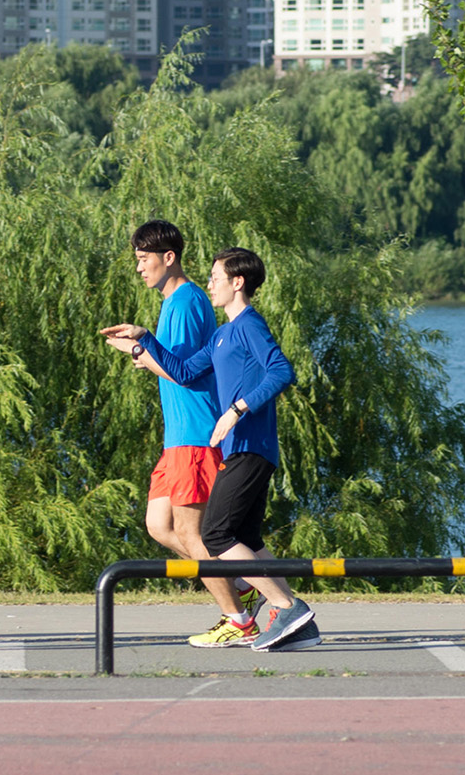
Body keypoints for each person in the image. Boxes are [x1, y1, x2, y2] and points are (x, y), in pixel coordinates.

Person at [103, 246, 321, 652]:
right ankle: (295, 621)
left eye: (216, 277)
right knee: (246, 538)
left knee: (217, 534)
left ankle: (285, 605)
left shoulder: (249, 325)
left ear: (238, 283)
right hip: (239, 449)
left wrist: (237, 409)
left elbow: (281, 370)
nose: (210, 284)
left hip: (251, 446)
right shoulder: (222, 335)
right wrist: (143, 338)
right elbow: (183, 371)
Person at [114, 220, 263, 647]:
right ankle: (240, 585)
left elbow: (182, 374)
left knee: (193, 532)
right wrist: (145, 354)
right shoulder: (174, 302)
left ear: (168, 257)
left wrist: (140, 350)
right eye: (137, 260)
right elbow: (181, 365)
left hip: (194, 433)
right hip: (176, 435)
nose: (139, 268)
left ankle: (236, 618)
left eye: (144, 260)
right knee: (159, 525)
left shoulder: (184, 301)